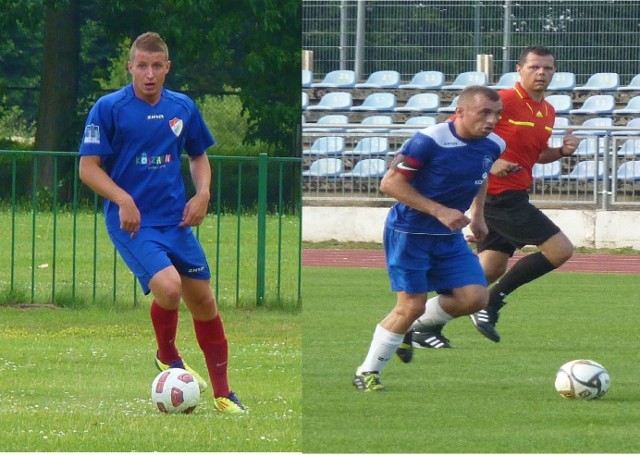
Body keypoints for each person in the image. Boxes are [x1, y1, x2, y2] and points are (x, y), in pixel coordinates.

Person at [78, 32, 247, 413]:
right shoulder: (109, 108)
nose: (149, 74)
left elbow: (199, 156)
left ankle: (223, 394)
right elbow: (88, 169)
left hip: (176, 221)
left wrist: (202, 194)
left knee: (204, 303)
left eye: (157, 66)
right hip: (133, 224)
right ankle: (168, 355)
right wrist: (123, 199)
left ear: (167, 67)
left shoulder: (182, 106)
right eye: (142, 66)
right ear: (130, 67)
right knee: (169, 289)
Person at [411, 45, 581, 347]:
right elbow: (459, 131)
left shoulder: (548, 111)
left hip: (513, 194)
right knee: (560, 250)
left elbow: (535, 154)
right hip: (498, 196)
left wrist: (560, 152)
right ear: (519, 69)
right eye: (534, 67)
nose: (541, 73)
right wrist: (492, 161)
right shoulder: (502, 101)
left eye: (548, 68)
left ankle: (420, 324)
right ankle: (492, 303)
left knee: (486, 272)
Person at [352, 85, 516, 391]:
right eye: (484, 113)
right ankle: (367, 372)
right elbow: (389, 184)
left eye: (497, 114)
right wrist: (440, 211)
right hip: (410, 232)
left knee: (474, 297)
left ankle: (408, 331)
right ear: (460, 112)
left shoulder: (494, 144)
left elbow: (481, 177)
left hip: (448, 235)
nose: (492, 120)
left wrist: (478, 215)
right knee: (410, 306)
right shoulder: (429, 141)